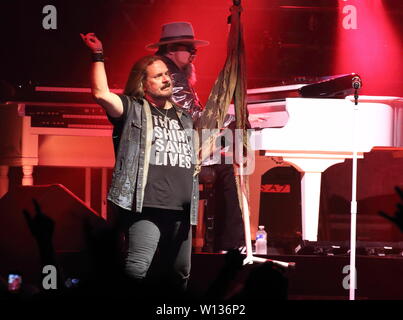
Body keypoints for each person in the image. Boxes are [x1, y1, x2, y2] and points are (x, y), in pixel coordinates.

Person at [80, 32, 199, 297]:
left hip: (182, 212)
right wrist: (98, 54)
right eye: (158, 76)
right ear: (143, 83)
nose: (167, 79)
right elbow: (100, 94)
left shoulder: (185, 117)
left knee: (180, 275)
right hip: (147, 208)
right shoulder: (133, 108)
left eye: (166, 74)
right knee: (136, 270)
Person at [146, 22, 245, 253]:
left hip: (171, 146)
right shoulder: (169, 74)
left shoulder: (165, 70)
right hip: (173, 152)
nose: (193, 53)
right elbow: (195, 117)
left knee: (224, 158)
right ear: (171, 49)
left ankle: (225, 243)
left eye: (194, 49)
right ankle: (229, 244)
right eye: (189, 48)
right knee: (226, 166)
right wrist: (237, 120)